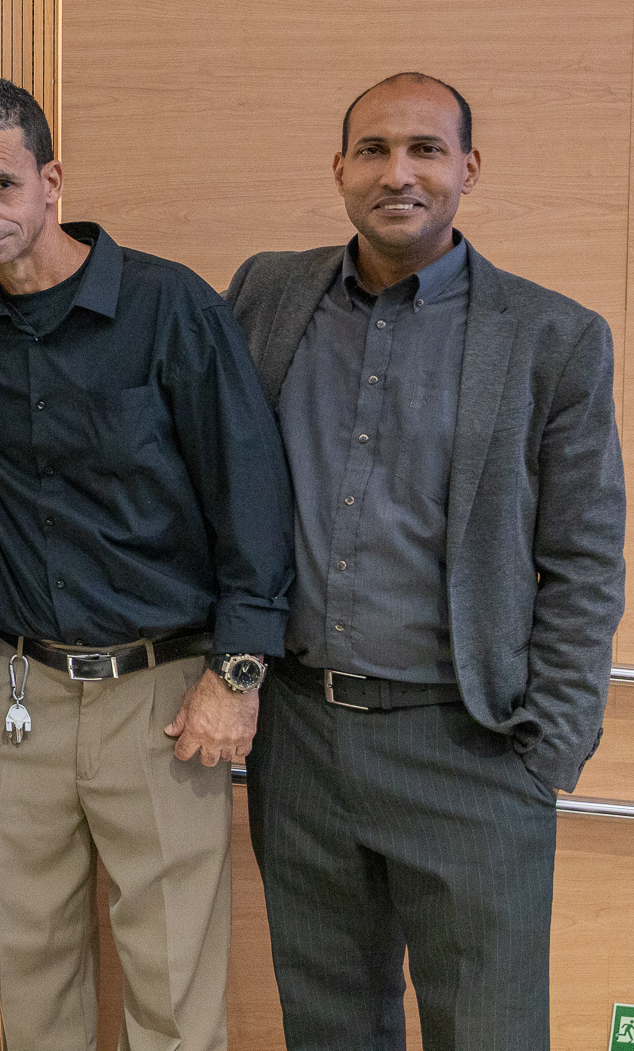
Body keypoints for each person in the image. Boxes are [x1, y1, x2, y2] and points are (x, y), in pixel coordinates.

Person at [0, 78, 293, 1051]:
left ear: (51, 179)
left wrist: (236, 676)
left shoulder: (167, 304)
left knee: (173, 979)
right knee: (30, 970)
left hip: (160, 695)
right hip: (14, 691)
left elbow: (252, 494)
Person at [225, 72, 625, 1051]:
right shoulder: (265, 295)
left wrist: (548, 748)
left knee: (487, 1031)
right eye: (372, 149)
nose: (396, 172)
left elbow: (583, 556)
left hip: (470, 747)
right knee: (329, 1029)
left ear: (467, 169)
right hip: (301, 740)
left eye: (424, 149)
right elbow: (147, 368)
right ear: (338, 168)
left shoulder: (552, 338)